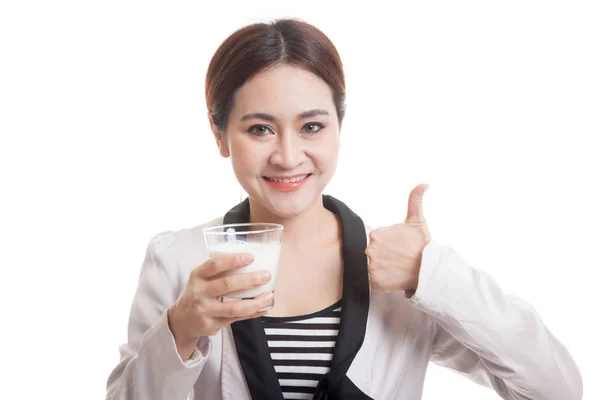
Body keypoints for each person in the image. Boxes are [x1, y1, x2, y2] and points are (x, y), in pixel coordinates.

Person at [105, 18, 583, 400]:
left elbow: (556, 390)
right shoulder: (179, 260)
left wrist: (434, 275)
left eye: (311, 127)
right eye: (259, 129)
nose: (288, 156)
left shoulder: (401, 274)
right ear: (220, 136)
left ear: (338, 127)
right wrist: (181, 328)